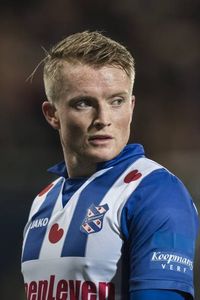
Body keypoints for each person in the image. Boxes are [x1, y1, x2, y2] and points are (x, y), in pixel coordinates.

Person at [21, 31, 199, 300]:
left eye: (116, 101)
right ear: (52, 114)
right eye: (84, 103)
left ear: (131, 106)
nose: (103, 118)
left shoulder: (155, 192)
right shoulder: (43, 199)